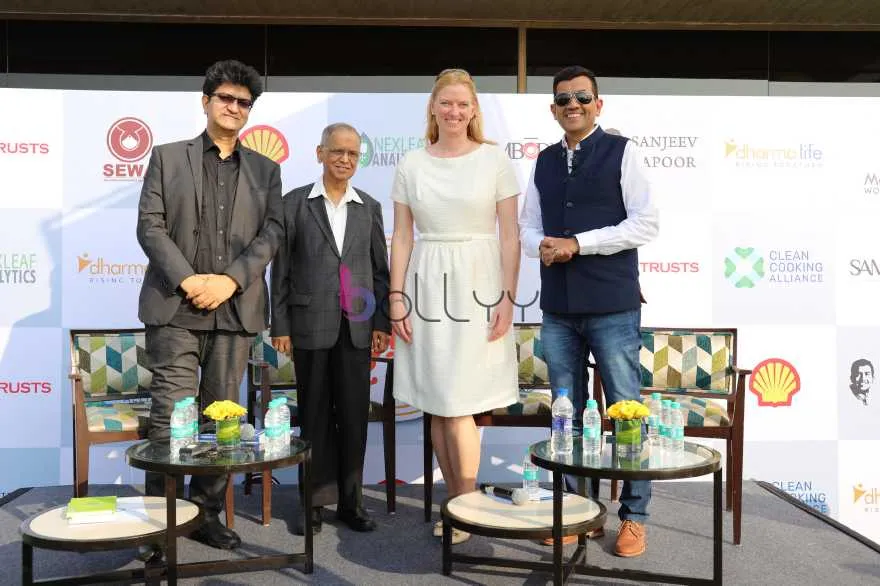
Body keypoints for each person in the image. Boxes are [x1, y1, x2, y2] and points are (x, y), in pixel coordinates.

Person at [136, 59, 283, 555]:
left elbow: (272, 235)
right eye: (226, 98)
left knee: (223, 421)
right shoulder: (167, 157)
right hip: (176, 309)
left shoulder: (266, 170)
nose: (234, 107)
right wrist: (191, 278)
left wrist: (228, 281)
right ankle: (160, 522)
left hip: (234, 311)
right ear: (206, 101)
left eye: (244, 102)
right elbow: (150, 226)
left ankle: (203, 515)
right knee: (172, 417)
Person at [519, 65, 659, 557]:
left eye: (582, 96)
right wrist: (545, 246)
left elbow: (645, 224)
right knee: (567, 413)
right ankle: (580, 513)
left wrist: (578, 244)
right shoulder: (543, 161)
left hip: (612, 305)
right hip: (558, 308)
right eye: (563, 98)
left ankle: (635, 516)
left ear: (598, 104)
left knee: (625, 411)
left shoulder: (624, 152)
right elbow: (528, 228)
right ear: (553, 108)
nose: (572, 103)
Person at [389, 68, 521, 545]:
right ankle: (458, 503)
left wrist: (507, 297)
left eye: (463, 104)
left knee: (461, 402)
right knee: (441, 403)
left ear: (474, 110)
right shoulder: (410, 163)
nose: (454, 111)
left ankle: (464, 507)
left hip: (480, 284)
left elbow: (510, 236)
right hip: (427, 283)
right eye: (446, 102)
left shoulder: (494, 159)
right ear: (432, 107)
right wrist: (396, 297)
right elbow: (402, 235)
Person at [270, 123, 391, 534]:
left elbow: (379, 272)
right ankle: (314, 504)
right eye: (337, 151)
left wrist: (380, 322)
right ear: (319, 153)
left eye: (353, 154)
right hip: (307, 326)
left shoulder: (369, 206)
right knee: (315, 416)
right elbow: (280, 271)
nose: (345, 159)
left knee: (355, 417)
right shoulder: (292, 204)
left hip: (357, 329)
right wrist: (280, 325)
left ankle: (352, 503)